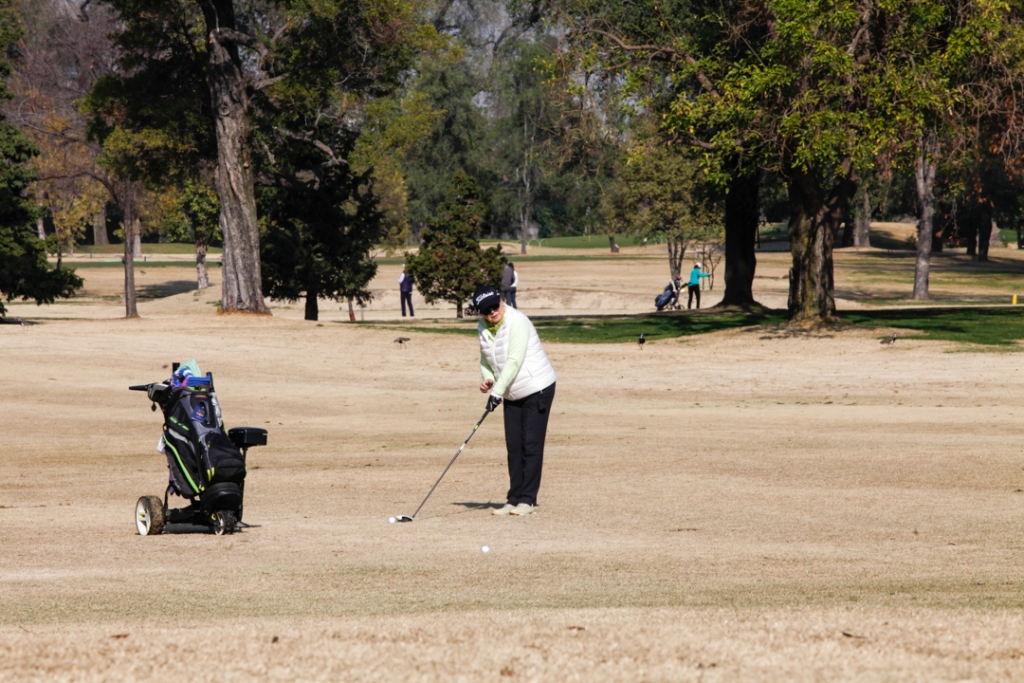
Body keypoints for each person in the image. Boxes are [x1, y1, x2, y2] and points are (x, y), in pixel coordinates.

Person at [473, 285, 557, 516]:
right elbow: (485, 360)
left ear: (501, 300)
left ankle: (527, 501)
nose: (492, 312)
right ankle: (513, 499)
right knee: (514, 446)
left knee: (531, 444)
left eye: (494, 305)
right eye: (486, 310)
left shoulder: (517, 321)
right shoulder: (482, 327)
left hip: (537, 387)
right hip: (511, 391)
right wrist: (489, 379)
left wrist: (496, 393)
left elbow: (513, 361)